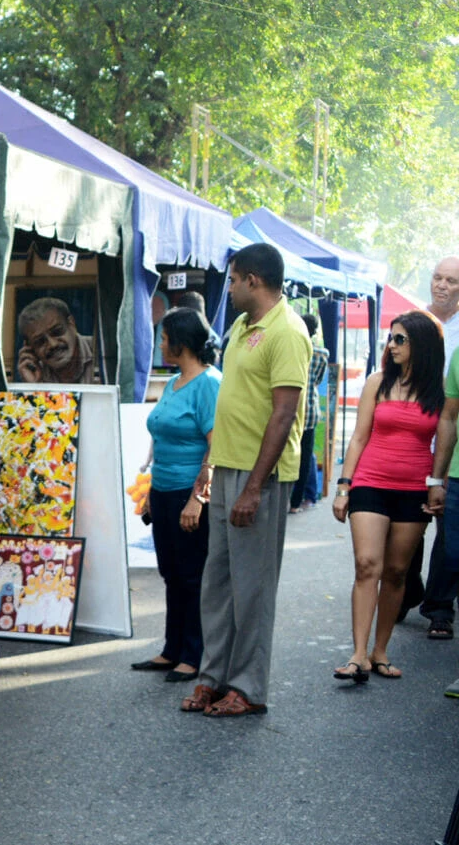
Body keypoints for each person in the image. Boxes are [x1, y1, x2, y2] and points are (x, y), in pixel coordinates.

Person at [182, 243, 306, 718]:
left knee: (252, 588)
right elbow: (233, 401)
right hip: (228, 466)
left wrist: (255, 486)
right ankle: (213, 677)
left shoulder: (288, 331)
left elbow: (284, 412)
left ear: (253, 279)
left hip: (262, 475)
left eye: (232, 280)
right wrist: (209, 467)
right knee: (218, 583)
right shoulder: (241, 326)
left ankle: (249, 687)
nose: (228, 288)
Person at [330, 310, 446, 680]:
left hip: (413, 488)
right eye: (390, 338)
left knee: (397, 572)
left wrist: (436, 483)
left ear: (421, 346)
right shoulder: (377, 383)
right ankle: (358, 654)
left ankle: (380, 652)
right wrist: (344, 486)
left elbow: (445, 439)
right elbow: (359, 436)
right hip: (370, 481)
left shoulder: (439, 393)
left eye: (400, 339)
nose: (391, 345)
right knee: (367, 565)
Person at [132, 308, 221, 681]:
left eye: (165, 338)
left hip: (188, 493)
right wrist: (152, 488)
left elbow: (216, 448)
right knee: (170, 572)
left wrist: (197, 499)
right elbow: (162, 439)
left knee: (191, 575)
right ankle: (172, 648)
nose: (161, 344)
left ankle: (193, 653)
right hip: (164, 490)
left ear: (181, 341)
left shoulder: (209, 383)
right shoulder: (174, 382)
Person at [416, 256, 459, 643]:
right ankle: (406, 588)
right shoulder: (414, 323)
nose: (442, 285)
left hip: (449, 442)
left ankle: (439, 607)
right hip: (412, 436)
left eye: (451, 280)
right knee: (408, 523)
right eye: (437, 278)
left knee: (448, 533)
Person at [15, 296, 100, 384]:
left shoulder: (101, 352)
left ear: (71, 324)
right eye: (40, 341)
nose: (52, 344)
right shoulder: (36, 371)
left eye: (57, 332)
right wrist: (35, 386)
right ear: (30, 348)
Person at [293, 313, 328, 512]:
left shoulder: (292, 348)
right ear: (315, 332)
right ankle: (297, 502)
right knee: (305, 458)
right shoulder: (321, 354)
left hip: (290, 410)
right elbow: (317, 380)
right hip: (310, 409)